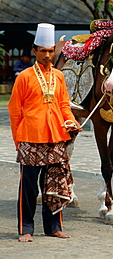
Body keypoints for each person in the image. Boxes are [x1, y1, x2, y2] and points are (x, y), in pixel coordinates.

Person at [8, 23, 82, 242]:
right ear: (34, 51)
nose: (48, 55)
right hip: (30, 138)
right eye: (43, 51)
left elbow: (64, 105)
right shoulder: (24, 77)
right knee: (29, 188)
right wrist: (17, 141)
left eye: (51, 51)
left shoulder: (59, 76)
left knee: (54, 184)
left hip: (56, 138)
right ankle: (26, 229)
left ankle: (53, 227)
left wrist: (69, 121)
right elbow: (14, 111)